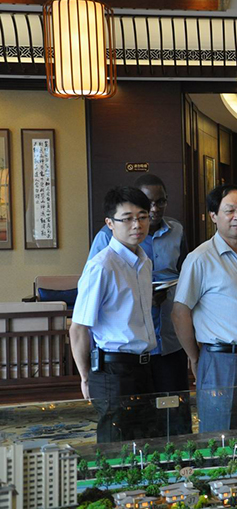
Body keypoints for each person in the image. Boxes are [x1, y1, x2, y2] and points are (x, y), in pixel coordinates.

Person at [87, 173, 190, 436]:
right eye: (147, 204)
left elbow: (186, 275)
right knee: (130, 426)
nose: (154, 209)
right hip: (126, 353)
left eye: (160, 202)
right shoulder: (107, 237)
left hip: (168, 339)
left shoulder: (176, 231)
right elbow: (94, 293)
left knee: (174, 416)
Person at [172, 184, 237, 433]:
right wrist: (195, 357)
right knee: (220, 434)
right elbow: (180, 312)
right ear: (214, 216)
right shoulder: (200, 258)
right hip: (219, 360)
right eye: (230, 211)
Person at [70, 187, 157, 442]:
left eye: (142, 217)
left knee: (146, 442)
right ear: (110, 223)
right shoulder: (101, 266)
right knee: (115, 446)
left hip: (144, 366)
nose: (137, 225)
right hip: (113, 371)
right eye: (127, 218)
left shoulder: (144, 262)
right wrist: (85, 377)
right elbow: (78, 327)